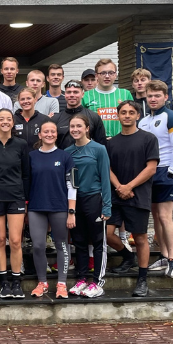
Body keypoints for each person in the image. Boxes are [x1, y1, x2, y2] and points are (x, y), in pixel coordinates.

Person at [106, 100, 159, 296]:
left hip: (138, 195)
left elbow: (151, 168)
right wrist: (119, 187)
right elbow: (107, 169)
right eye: (123, 112)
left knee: (140, 237)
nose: (127, 115)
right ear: (118, 116)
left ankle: (142, 279)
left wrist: (129, 186)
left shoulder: (148, 139)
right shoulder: (111, 143)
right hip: (116, 195)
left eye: (131, 112)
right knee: (107, 234)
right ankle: (128, 257)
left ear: (138, 115)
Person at [23, 119, 77, 298]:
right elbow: (26, 183)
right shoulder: (31, 156)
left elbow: (72, 185)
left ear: (57, 134)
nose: (49, 134)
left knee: (61, 245)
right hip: (36, 207)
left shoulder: (65, 156)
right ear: (39, 134)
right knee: (38, 246)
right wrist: (25, 207)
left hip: (59, 207)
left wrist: (71, 211)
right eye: (45, 131)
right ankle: (42, 282)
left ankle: (62, 283)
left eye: (53, 131)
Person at [137, 80, 173, 278]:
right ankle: (163, 255)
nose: (153, 99)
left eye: (157, 95)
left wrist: (172, 171)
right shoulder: (143, 121)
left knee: (165, 216)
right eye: (150, 96)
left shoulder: (171, 117)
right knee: (155, 216)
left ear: (166, 96)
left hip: (166, 171)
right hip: (149, 172)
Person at [0, 109, 31, 299]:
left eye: (8, 119)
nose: (5, 122)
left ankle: (16, 281)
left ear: (13, 123)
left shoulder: (21, 144)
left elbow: (26, 174)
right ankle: (4, 281)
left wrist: (26, 199)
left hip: (16, 197)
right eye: (1, 119)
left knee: (16, 241)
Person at [68, 114, 113, 298]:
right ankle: (82, 278)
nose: (75, 129)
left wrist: (107, 206)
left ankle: (98, 281)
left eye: (79, 126)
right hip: (76, 201)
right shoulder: (68, 151)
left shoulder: (99, 149)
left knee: (98, 242)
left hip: (94, 199)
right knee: (79, 241)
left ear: (87, 128)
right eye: (72, 126)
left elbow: (105, 178)